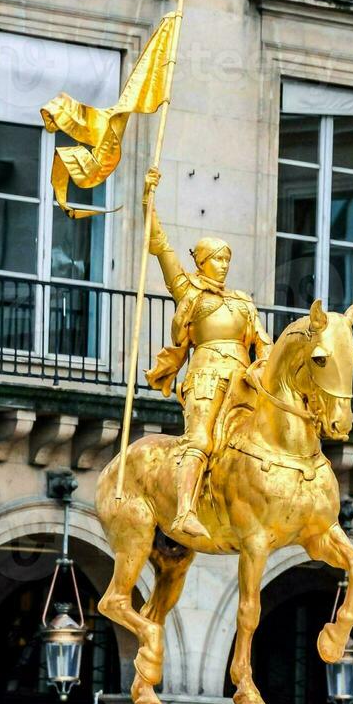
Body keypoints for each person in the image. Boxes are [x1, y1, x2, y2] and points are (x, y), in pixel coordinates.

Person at [143, 168, 273, 538]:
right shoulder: (190, 294)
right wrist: (148, 200)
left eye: (227, 259)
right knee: (200, 439)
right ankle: (184, 510)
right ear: (202, 261)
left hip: (245, 380)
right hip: (206, 376)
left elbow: (262, 341)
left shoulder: (242, 301)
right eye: (217, 258)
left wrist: (264, 360)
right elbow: (161, 247)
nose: (224, 265)